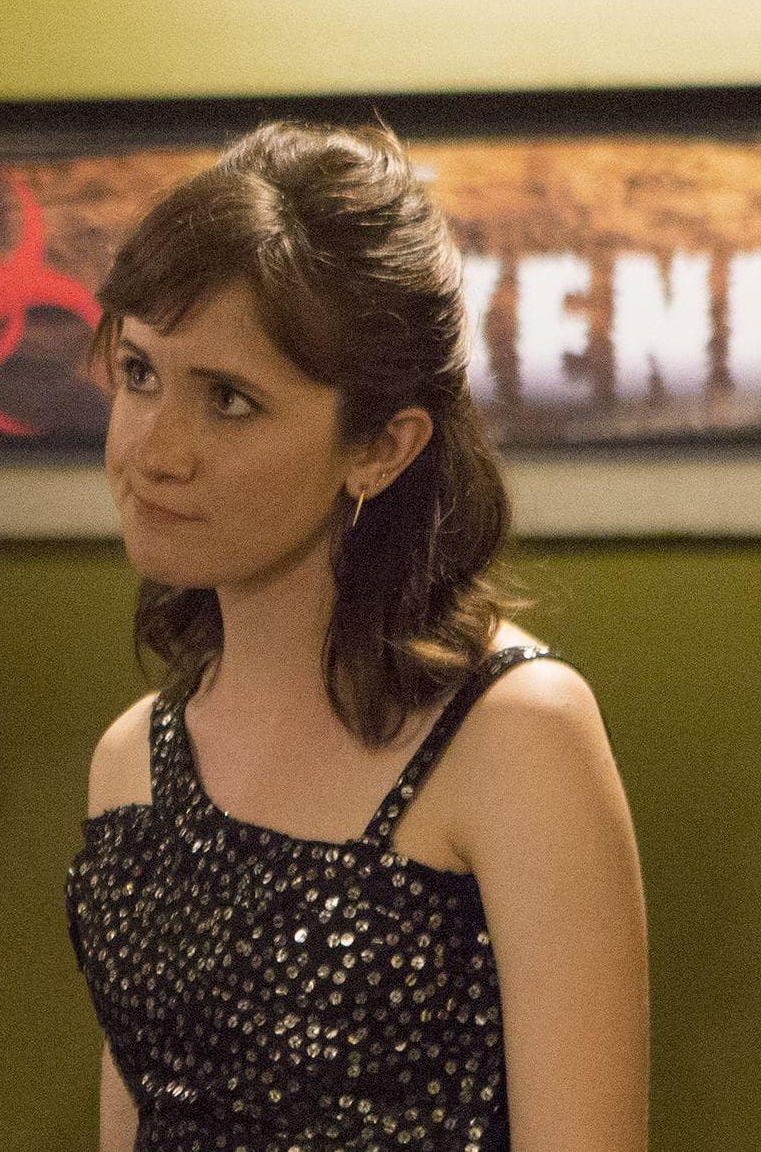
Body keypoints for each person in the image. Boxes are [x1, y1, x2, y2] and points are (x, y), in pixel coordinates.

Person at [65, 122, 648, 1151]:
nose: (155, 450)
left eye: (228, 400)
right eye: (140, 372)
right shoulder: (134, 760)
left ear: (380, 445)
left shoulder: (516, 736)